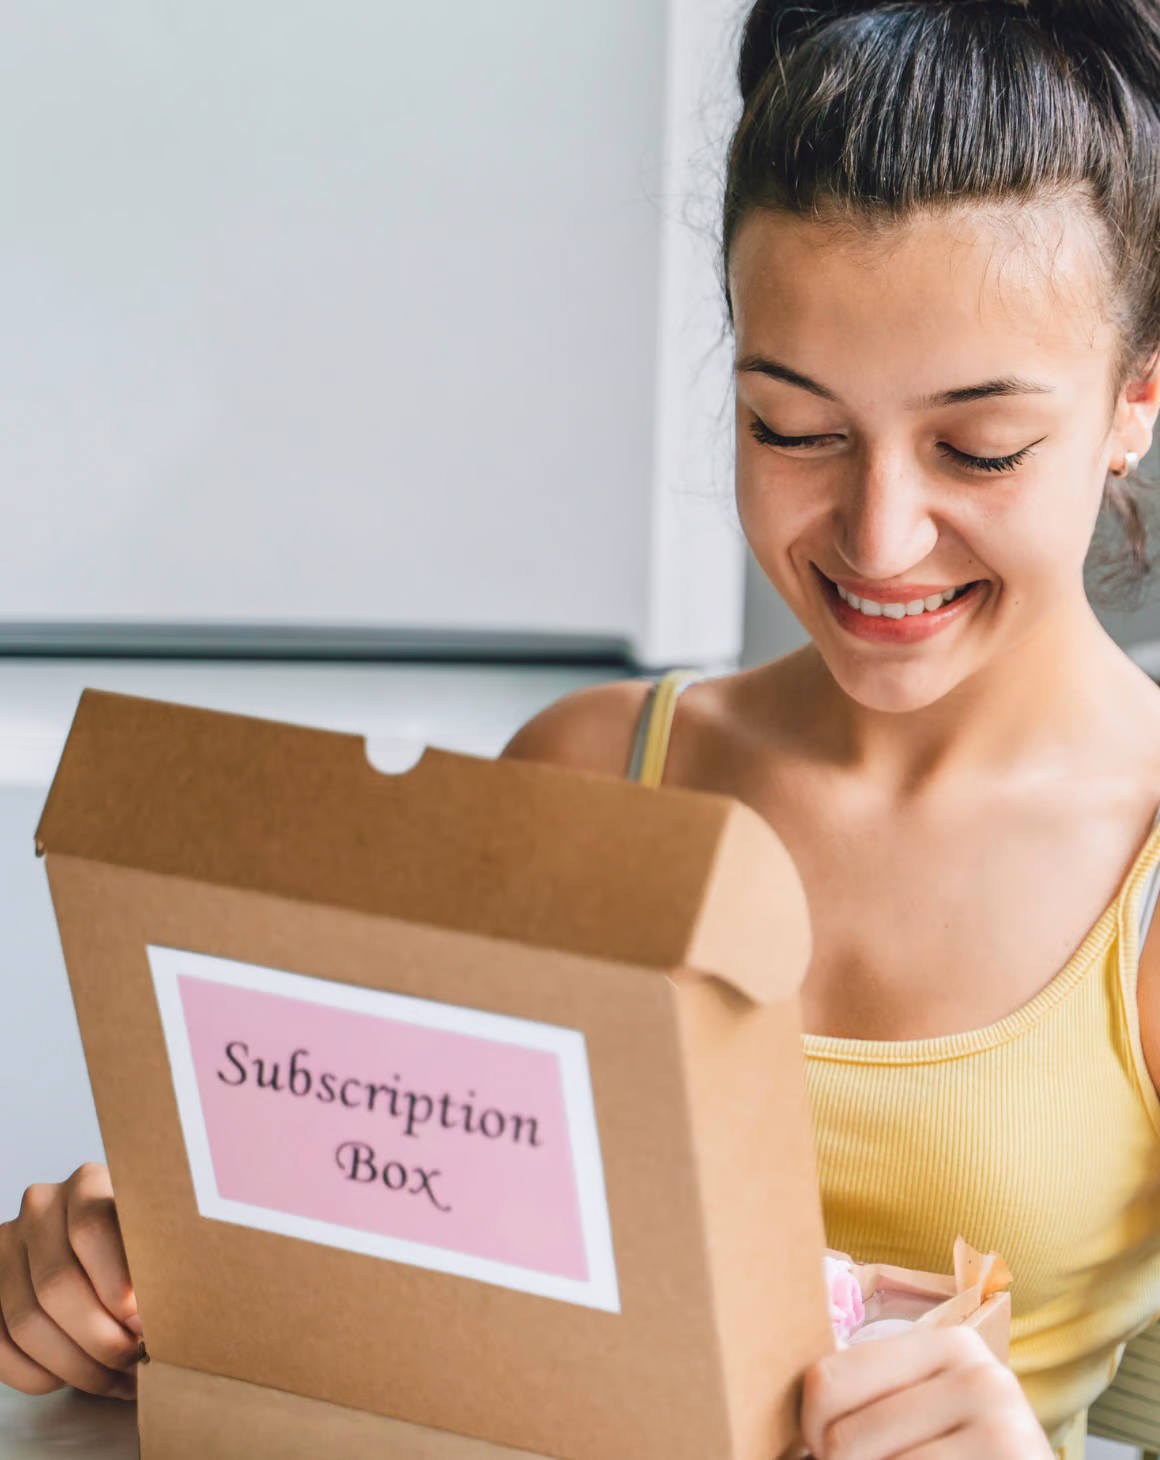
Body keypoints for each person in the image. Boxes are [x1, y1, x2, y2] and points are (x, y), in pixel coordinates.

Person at [5, 0, 1160, 1454]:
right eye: (791, 427)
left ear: (1136, 398)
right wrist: (120, 1274)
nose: (879, 534)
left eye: (977, 446)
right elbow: (367, 1263)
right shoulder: (591, 778)